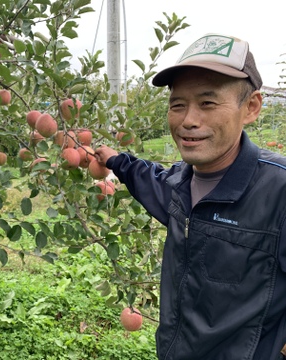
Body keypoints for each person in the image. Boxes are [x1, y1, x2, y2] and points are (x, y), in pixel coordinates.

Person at [95, 33, 286, 360]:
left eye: (208, 103)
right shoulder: (179, 184)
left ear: (251, 107)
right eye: (177, 105)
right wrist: (113, 159)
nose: (188, 120)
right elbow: (146, 178)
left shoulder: (279, 191)